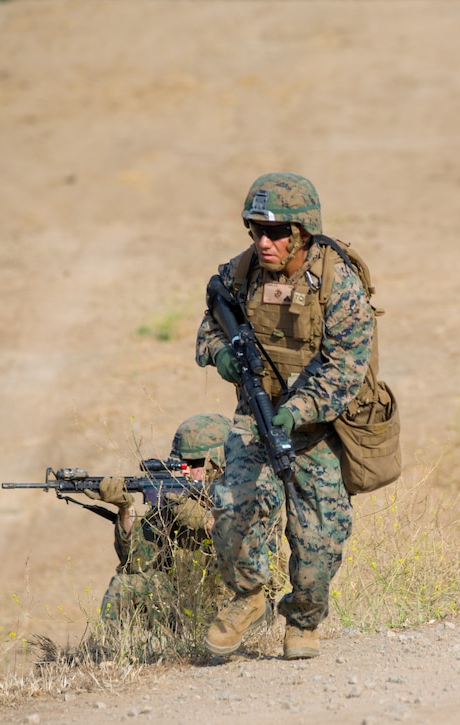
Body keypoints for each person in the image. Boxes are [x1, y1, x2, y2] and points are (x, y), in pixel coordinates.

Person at [196, 171, 374, 660]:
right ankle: (249, 596)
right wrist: (221, 356)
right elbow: (208, 331)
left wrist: (296, 412)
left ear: (302, 233)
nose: (264, 241)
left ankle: (303, 618)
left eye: (276, 232)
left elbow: (346, 368)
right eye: (256, 230)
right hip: (257, 417)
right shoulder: (239, 273)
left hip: (316, 427)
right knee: (233, 511)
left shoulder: (337, 285)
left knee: (320, 543)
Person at [84, 413, 231, 625]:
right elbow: (136, 564)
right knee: (125, 584)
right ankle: (114, 656)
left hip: (232, 609)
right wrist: (125, 510)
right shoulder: (175, 502)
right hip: (185, 608)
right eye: (182, 463)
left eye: (196, 463)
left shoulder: (244, 496)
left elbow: (240, 546)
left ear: (220, 464)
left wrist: (202, 518)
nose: (187, 471)